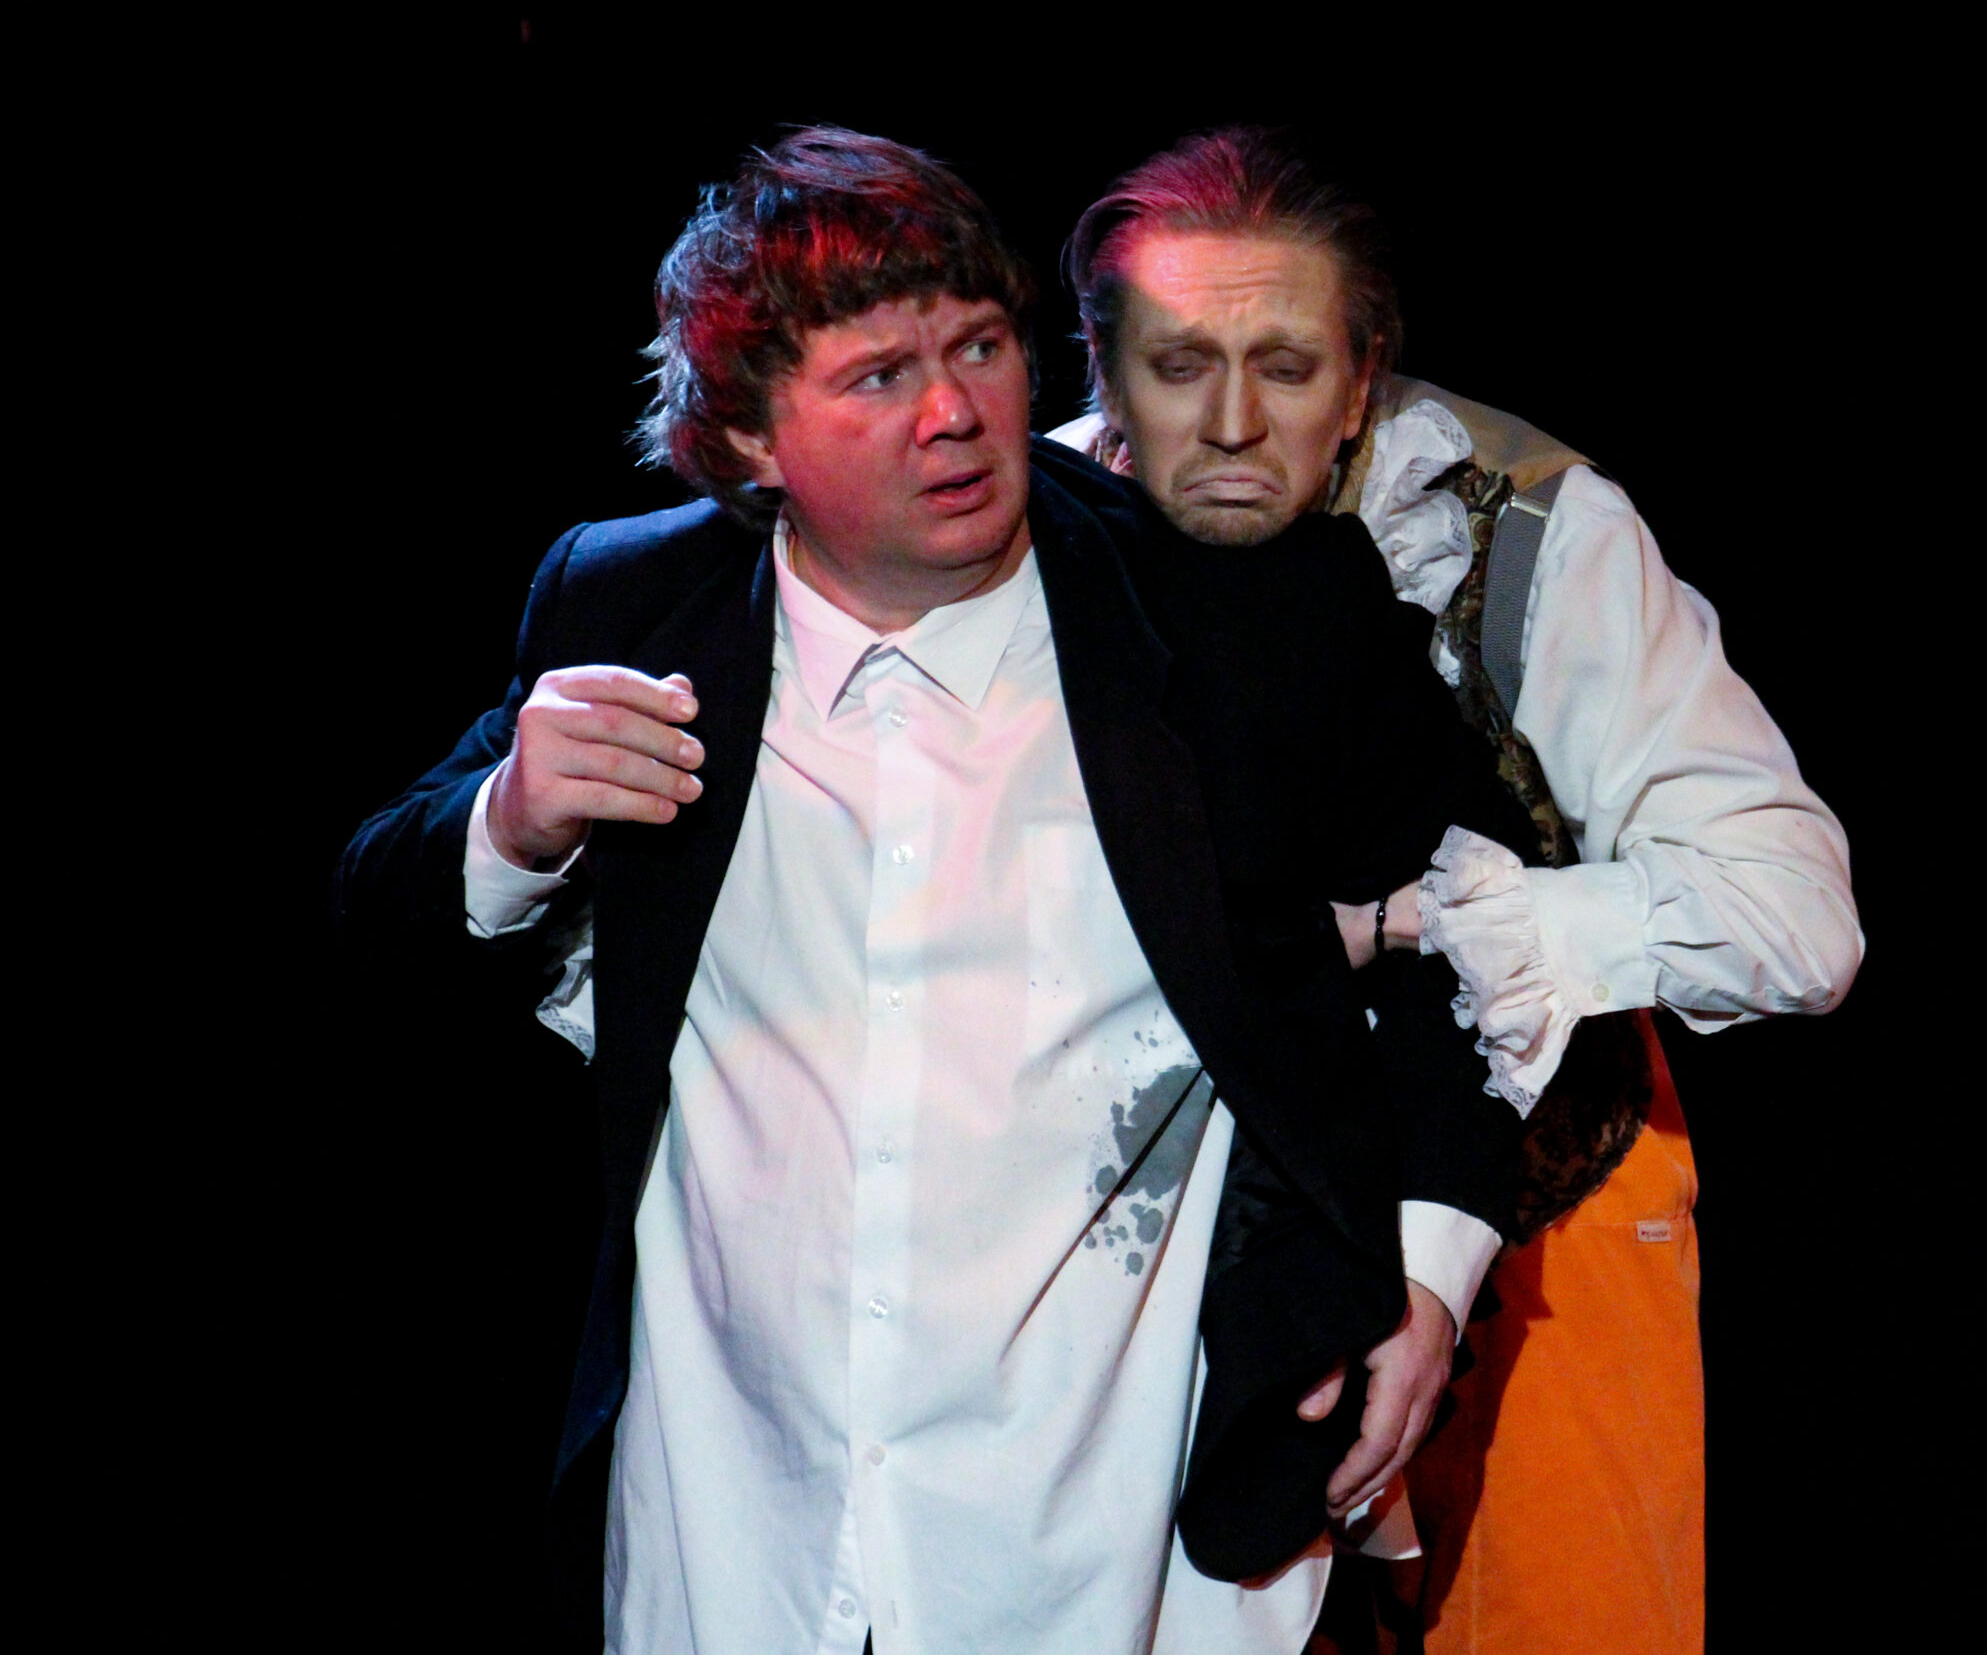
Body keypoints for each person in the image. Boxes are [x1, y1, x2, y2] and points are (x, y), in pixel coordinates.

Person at [335, 128, 1539, 1655]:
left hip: (1113, 1553)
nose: (956, 411)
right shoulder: (642, 607)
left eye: (979, 346)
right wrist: (509, 819)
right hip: (735, 1541)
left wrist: (1432, 1270)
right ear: (750, 436)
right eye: (880, 376)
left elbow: (1483, 916)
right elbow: (379, 920)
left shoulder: (1243, 614)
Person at [1054, 127, 1863, 1655]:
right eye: (1178, 362)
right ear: (1104, 366)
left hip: (1543, 1203)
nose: (1231, 419)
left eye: (1287, 365)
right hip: (1196, 1226)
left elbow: (1794, 916)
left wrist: (1428, 925)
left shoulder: (1529, 523)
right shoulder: (1022, 532)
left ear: (1362, 376)